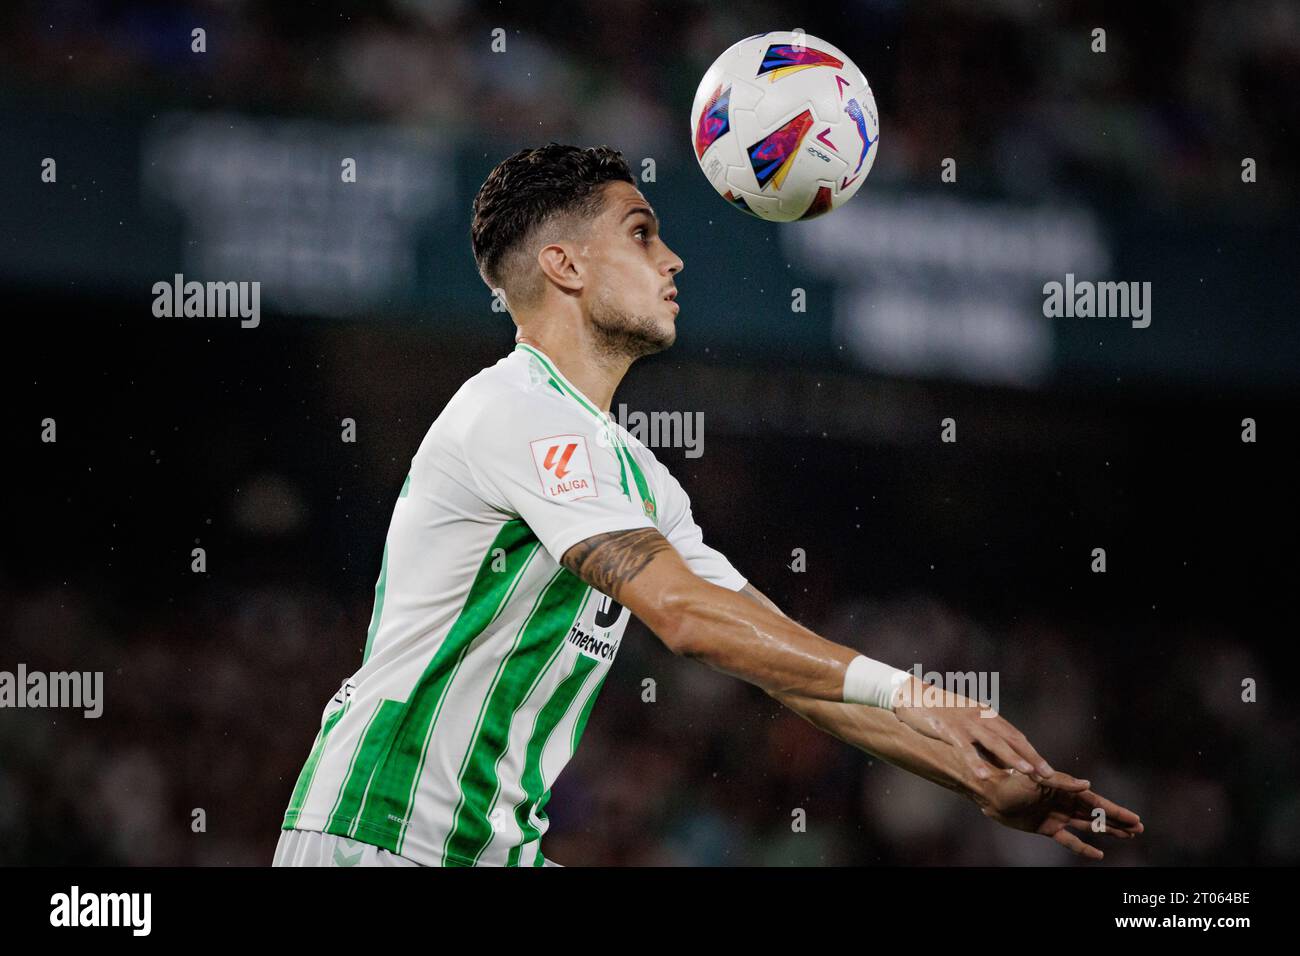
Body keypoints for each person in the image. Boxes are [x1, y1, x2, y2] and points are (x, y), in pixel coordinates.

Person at [274, 143, 1142, 867]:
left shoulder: (637, 477)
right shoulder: (511, 409)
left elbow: (775, 658)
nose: (674, 259)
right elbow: (685, 618)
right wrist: (917, 692)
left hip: (489, 850)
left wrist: (970, 774)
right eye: (643, 234)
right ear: (563, 264)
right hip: (377, 831)